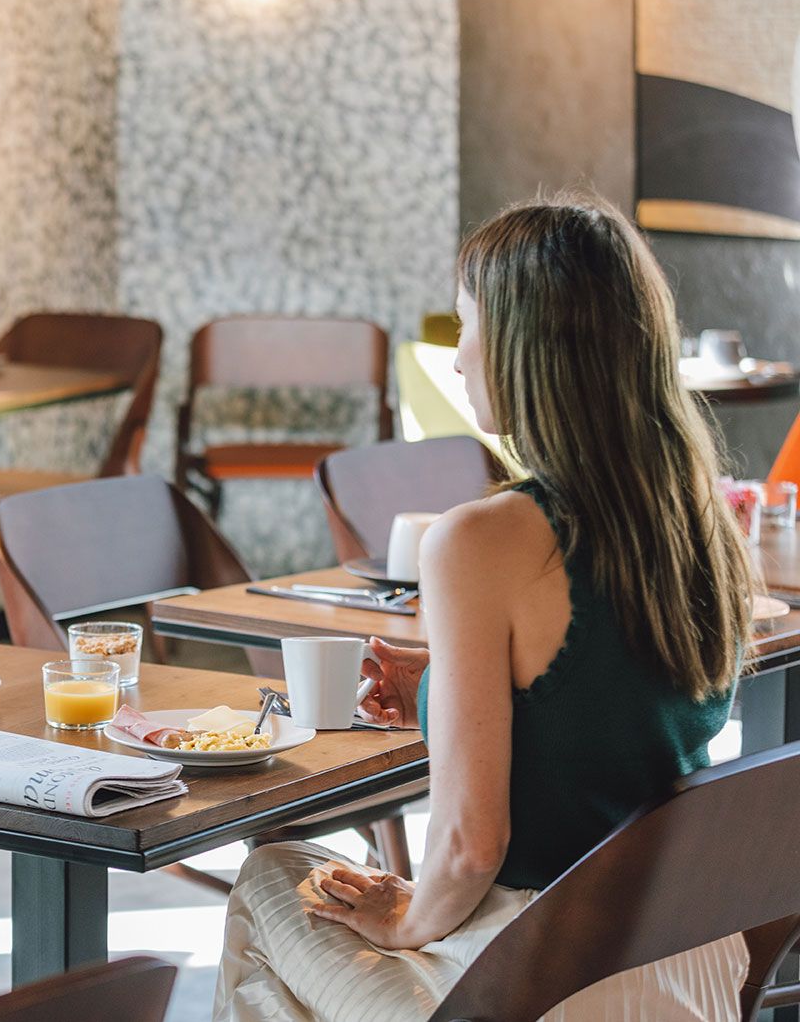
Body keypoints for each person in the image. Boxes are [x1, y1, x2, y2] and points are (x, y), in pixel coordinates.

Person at [214, 195, 753, 1021]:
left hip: (534, 976)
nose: (458, 358)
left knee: (270, 879)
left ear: (526, 346)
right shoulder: (694, 517)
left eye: (467, 325)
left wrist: (404, 918)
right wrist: (446, 683)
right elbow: (615, 692)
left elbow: (468, 849)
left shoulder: (480, 539)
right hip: (684, 968)